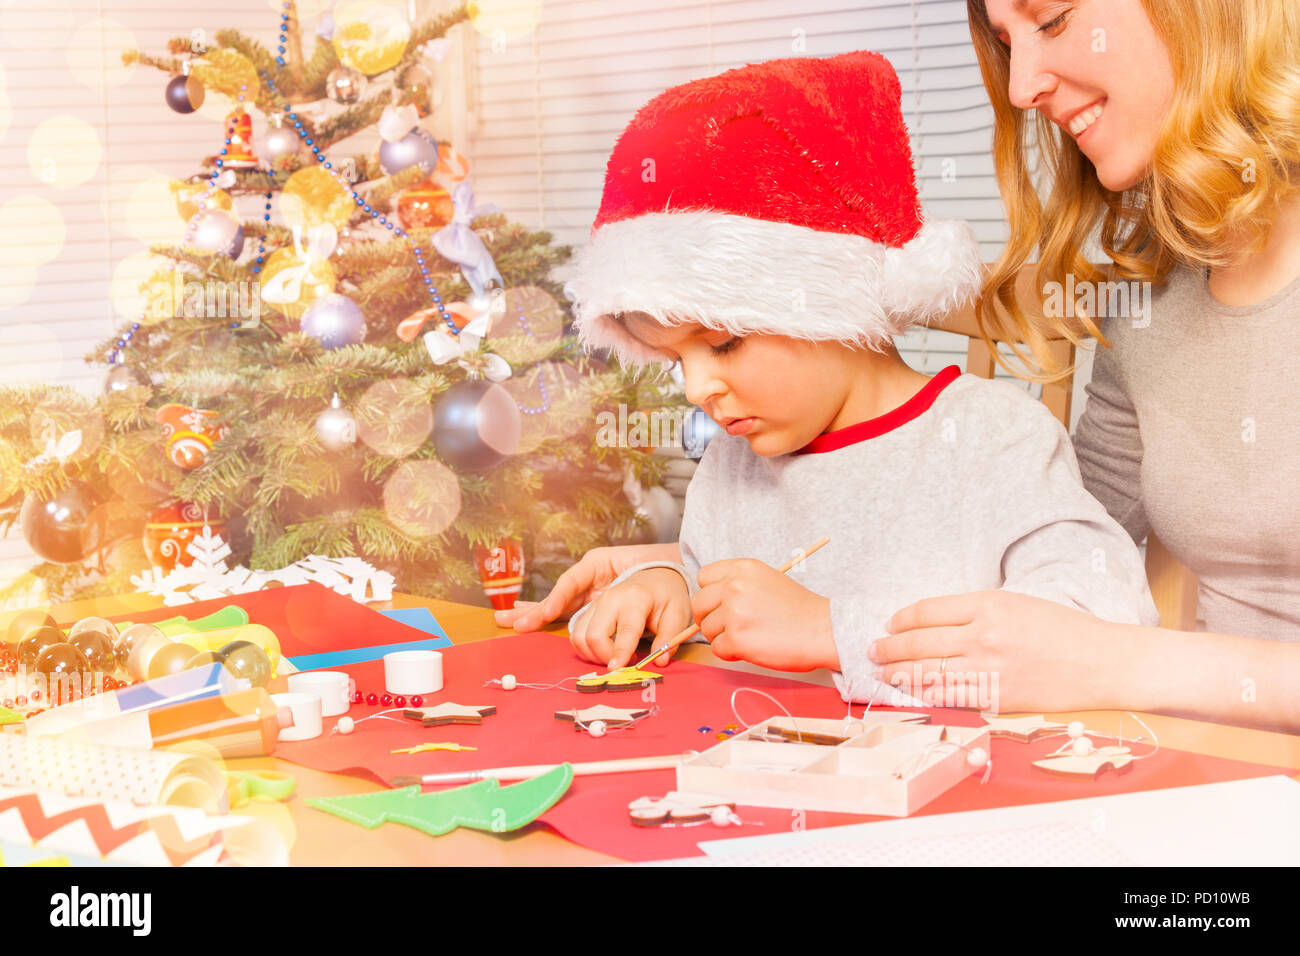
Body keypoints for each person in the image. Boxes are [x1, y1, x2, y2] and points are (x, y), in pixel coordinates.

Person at [502, 0, 1300, 732]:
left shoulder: (995, 436)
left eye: (1053, 17)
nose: (1021, 88)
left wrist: (831, 626)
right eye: (1003, 44)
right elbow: (1067, 532)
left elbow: (1078, 617)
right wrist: (682, 575)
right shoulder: (1151, 300)